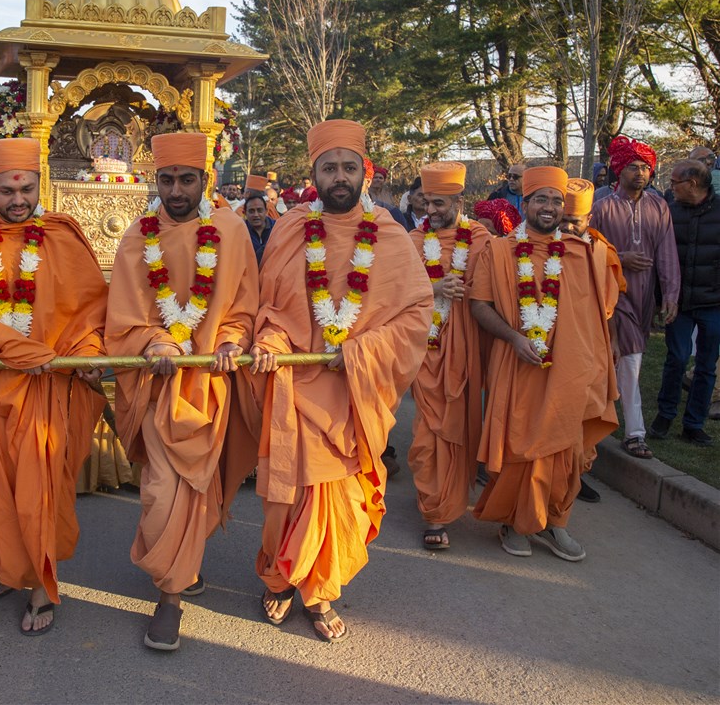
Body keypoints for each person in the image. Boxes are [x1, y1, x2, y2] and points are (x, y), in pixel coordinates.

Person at [248, 119, 432, 643]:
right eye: (329, 167)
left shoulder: (391, 236)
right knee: (287, 494)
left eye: (349, 167)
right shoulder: (288, 229)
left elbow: (416, 314)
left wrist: (356, 353)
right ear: (314, 174)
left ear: (364, 172)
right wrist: (272, 342)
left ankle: (321, 589)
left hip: (355, 388)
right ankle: (281, 578)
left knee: (341, 498)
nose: (339, 176)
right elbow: (272, 307)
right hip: (295, 382)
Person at [0, 137, 107, 636]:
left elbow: (90, 310)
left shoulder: (61, 235)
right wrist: (16, 348)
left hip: (48, 390)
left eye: (26, 189)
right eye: (7, 191)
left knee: (40, 492)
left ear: (38, 185)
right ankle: (12, 567)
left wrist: (90, 354)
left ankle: (40, 585)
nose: (17, 200)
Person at [105, 132, 259, 652]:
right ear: (156, 180)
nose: (176, 190)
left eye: (186, 179)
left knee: (199, 489)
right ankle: (171, 590)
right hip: (158, 386)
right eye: (167, 179)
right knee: (163, 490)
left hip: (210, 386)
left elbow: (244, 304)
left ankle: (172, 590)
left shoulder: (232, 231)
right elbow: (123, 316)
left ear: (204, 180)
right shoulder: (136, 238)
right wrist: (153, 340)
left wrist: (234, 337)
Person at [470, 166, 620, 562]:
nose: (550, 207)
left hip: (569, 370)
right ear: (526, 203)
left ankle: (556, 522)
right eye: (541, 199)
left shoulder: (580, 253)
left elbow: (594, 321)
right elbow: (480, 306)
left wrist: (596, 367)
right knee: (520, 442)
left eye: (557, 200)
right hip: (518, 365)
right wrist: (515, 338)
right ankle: (514, 520)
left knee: (566, 449)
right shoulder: (498, 251)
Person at [406, 162, 490, 550]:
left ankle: (452, 498)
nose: (431, 210)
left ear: (460, 201)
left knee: (461, 425)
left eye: (440, 203)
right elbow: (394, 290)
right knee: (428, 433)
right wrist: (435, 288)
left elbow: (499, 292)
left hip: (467, 347)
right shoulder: (409, 240)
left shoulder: (482, 240)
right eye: (427, 202)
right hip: (426, 350)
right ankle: (434, 512)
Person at [591, 135, 680, 459]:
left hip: (645, 300)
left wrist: (670, 293)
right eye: (633, 167)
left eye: (645, 167)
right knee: (630, 362)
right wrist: (620, 257)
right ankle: (635, 433)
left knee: (625, 362)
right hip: (612, 297)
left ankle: (597, 425)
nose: (640, 173)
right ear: (618, 170)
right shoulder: (602, 208)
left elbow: (667, 252)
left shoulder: (659, 206)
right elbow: (589, 252)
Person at [560, 177, 628, 502]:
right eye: (563, 221)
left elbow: (608, 308)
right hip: (555, 345)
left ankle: (578, 473)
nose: (568, 228)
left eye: (574, 222)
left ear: (588, 220)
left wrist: (612, 341)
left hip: (593, 344)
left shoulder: (602, 251)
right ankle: (559, 476)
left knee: (588, 409)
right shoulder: (544, 247)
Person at [651, 159, 718, 446]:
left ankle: (694, 423)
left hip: (714, 302)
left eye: (675, 182)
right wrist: (660, 299)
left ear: (692, 184)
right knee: (676, 359)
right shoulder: (669, 211)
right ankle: (665, 415)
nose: (670, 187)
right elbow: (660, 259)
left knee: (706, 365)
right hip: (678, 303)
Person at [245, 193, 276, 265]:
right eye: (251, 211)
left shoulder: (277, 228)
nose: (256, 215)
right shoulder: (241, 230)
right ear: (245, 213)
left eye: (259, 210)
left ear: (266, 211)